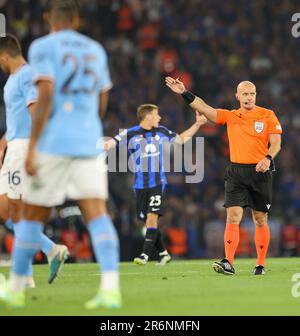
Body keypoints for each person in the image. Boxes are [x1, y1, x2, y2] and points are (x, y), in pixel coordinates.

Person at [0, 0, 121, 309]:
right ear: (76, 19)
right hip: (87, 139)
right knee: (97, 213)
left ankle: (15, 287)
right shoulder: (95, 50)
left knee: (31, 214)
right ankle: (110, 288)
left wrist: (35, 143)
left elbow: (46, 95)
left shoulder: (42, 47)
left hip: (53, 142)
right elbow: (102, 101)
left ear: (48, 20)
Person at [165, 76, 282, 275]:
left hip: (260, 171)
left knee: (260, 219)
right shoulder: (230, 116)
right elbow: (202, 107)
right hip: (236, 172)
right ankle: (228, 262)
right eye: (245, 94)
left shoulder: (267, 115)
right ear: (237, 96)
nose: (249, 97)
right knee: (232, 216)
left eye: (252, 94)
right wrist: (184, 92)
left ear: (256, 95)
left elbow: (276, 142)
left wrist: (269, 158)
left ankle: (260, 264)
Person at [0, 33, 69, 287]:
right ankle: (50, 250)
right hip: (14, 147)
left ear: (5, 55)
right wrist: (4, 141)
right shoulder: (13, 78)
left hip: (24, 149)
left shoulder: (27, 75)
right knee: (7, 210)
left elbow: (35, 111)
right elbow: (18, 115)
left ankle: (24, 276)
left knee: (17, 211)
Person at [105, 103, 207, 265]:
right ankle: (164, 253)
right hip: (139, 186)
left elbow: (180, 140)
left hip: (158, 183)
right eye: (156, 114)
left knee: (152, 219)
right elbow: (109, 144)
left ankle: (144, 256)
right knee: (147, 222)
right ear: (148, 116)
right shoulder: (130, 134)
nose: (159, 117)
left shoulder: (161, 131)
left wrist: (198, 124)